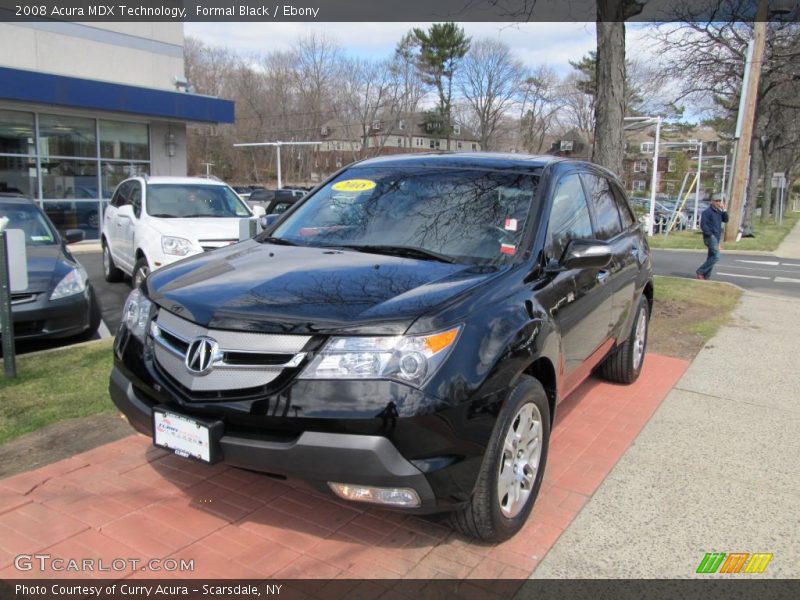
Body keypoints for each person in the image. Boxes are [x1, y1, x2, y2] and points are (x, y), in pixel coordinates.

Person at [696, 198, 729, 280]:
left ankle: (706, 276)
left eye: (719, 201)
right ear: (712, 202)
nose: (718, 203)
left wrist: (724, 210)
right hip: (710, 237)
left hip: (717, 237)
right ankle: (700, 271)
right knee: (716, 256)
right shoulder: (707, 212)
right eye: (716, 201)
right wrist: (710, 234)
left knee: (711, 256)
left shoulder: (719, 212)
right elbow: (703, 225)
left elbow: (726, 220)